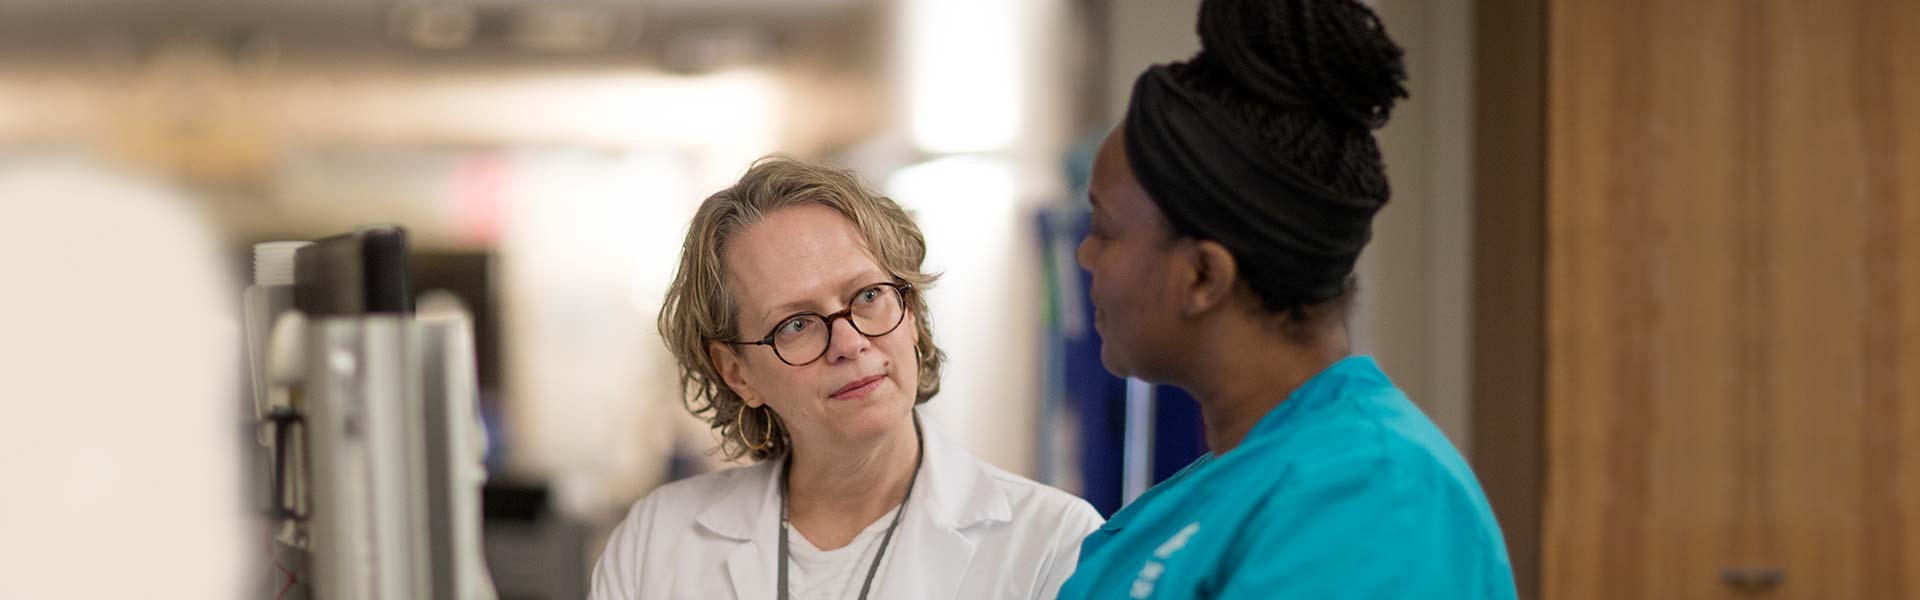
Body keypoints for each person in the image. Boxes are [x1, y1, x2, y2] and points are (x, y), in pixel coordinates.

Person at [1056, 0, 1517, 598]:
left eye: (1106, 231)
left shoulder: (1373, 495)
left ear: (1202, 276)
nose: (1084, 255)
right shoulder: (1215, 489)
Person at [590, 157, 1103, 600]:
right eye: (795, 325)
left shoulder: (1054, 543)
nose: (850, 343)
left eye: (868, 296)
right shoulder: (656, 543)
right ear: (737, 373)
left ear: (913, 310)